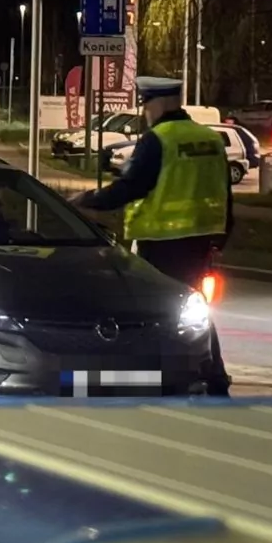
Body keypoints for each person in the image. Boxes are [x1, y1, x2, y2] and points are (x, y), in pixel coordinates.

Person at [72, 76, 233, 396]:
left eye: (145, 104)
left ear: (158, 103)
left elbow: (132, 186)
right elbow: (225, 191)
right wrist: (224, 233)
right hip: (202, 239)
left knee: (156, 312)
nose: (144, 111)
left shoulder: (158, 140)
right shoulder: (210, 138)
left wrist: (84, 202)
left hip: (161, 242)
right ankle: (213, 375)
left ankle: (159, 377)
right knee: (193, 306)